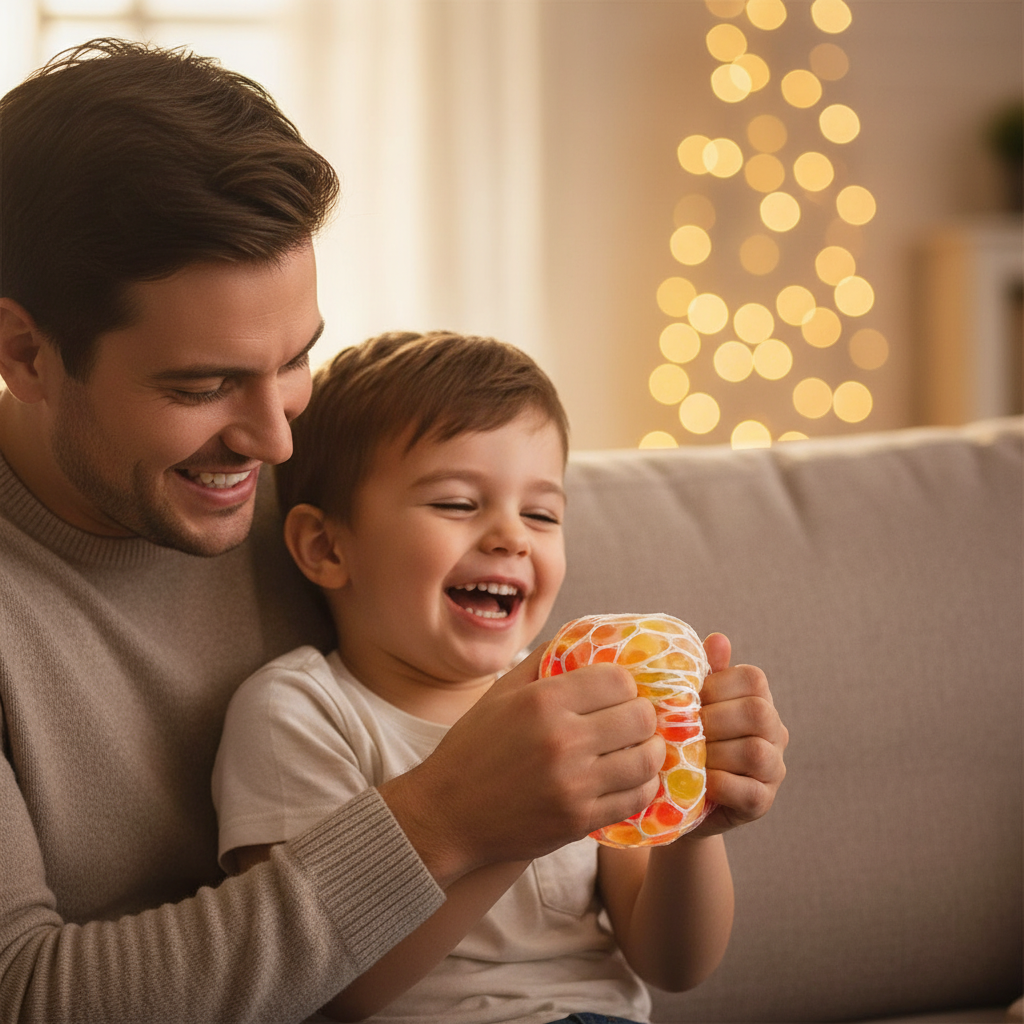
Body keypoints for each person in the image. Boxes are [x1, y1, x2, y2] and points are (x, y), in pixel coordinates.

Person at [0, 40, 737, 1023]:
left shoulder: (342, 488)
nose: (273, 439)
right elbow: (25, 998)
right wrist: (453, 818)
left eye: (295, 360)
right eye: (201, 384)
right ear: (23, 352)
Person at [212, 330, 786, 1024]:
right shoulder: (300, 712)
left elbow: (674, 965)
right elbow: (328, 990)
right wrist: (516, 823)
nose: (512, 536)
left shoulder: (587, 706)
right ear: (327, 546)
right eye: (457, 503)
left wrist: (692, 825)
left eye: (541, 513)